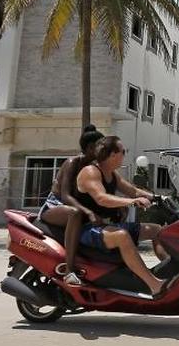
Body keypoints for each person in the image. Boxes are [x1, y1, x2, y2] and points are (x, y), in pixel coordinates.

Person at [74, 136, 168, 296]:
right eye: (123, 152)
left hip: (102, 226)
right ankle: (154, 285)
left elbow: (134, 191)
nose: (125, 154)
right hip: (85, 228)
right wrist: (132, 202)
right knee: (122, 236)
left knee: (156, 230)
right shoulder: (91, 172)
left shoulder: (111, 174)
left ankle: (168, 269)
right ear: (112, 155)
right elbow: (102, 198)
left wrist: (160, 198)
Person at [37, 124, 105, 286]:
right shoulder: (72, 163)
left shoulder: (93, 169)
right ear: (90, 148)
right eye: (101, 147)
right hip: (54, 207)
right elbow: (66, 196)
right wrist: (88, 212)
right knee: (74, 213)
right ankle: (69, 271)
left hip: (76, 207)